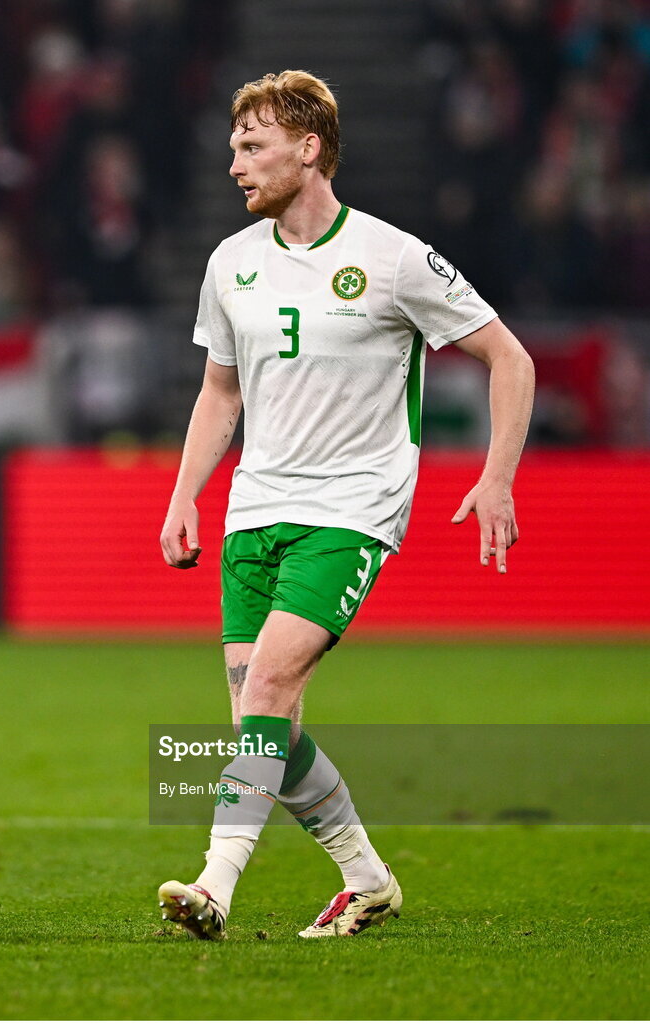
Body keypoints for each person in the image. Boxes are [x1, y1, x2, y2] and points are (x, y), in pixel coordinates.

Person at [157, 70, 535, 940]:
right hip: (253, 513)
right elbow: (220, 395)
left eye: (252, 147)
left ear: (308, 148)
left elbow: (508, 358)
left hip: (352, 508)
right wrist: (185, 495)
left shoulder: (393, 258)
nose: (235, 166)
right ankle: (366, 879)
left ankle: (214, 884)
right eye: (232, 149)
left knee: (271, 688)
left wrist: (496, 476)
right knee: (268, 727)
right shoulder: (230, 264)